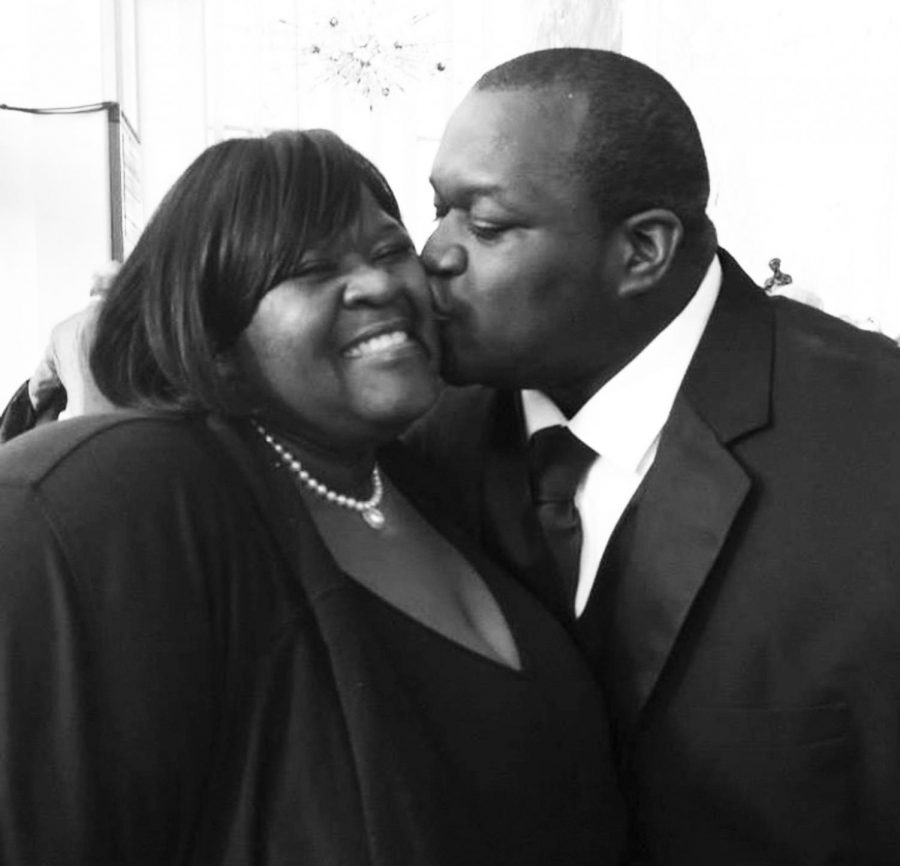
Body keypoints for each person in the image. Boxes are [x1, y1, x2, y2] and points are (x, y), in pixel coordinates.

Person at [0, 129, 626, 864]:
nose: (380, 285)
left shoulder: (432, 478)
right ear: (216, 330)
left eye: (390, 250)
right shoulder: (111, 497)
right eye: (308, 269)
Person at [409, 47, 900, 864]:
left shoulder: (876, 445)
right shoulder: (414, 443)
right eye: (439, 210)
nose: (434, 254)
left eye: (485, 224)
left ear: (642, 251)